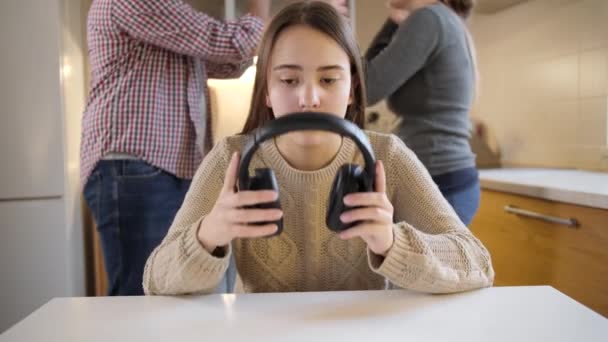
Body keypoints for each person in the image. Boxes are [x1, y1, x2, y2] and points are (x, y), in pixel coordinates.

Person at [143, 1, 494, 295]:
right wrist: (208, 235)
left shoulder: (388, 156)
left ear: (353, 89)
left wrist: (392, 241)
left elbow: (477, 264)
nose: (309, 98)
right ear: (266, 90)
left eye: (328, 80)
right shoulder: (229, 160)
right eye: (288, 80)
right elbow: (154, 281)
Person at [81, 0, 270, 296]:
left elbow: (230, 63)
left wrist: (256, 36)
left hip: (158, 168)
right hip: (135, 165)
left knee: (175, 289)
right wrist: (260, 7)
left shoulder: (169, 16)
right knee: (142, 295)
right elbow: (232, 45)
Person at [364, 0, 481, 225]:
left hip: (439, 183)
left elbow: (366, 87)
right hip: (449, 179)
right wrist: (393, 24)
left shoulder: (428, 19)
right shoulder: (443, 18)